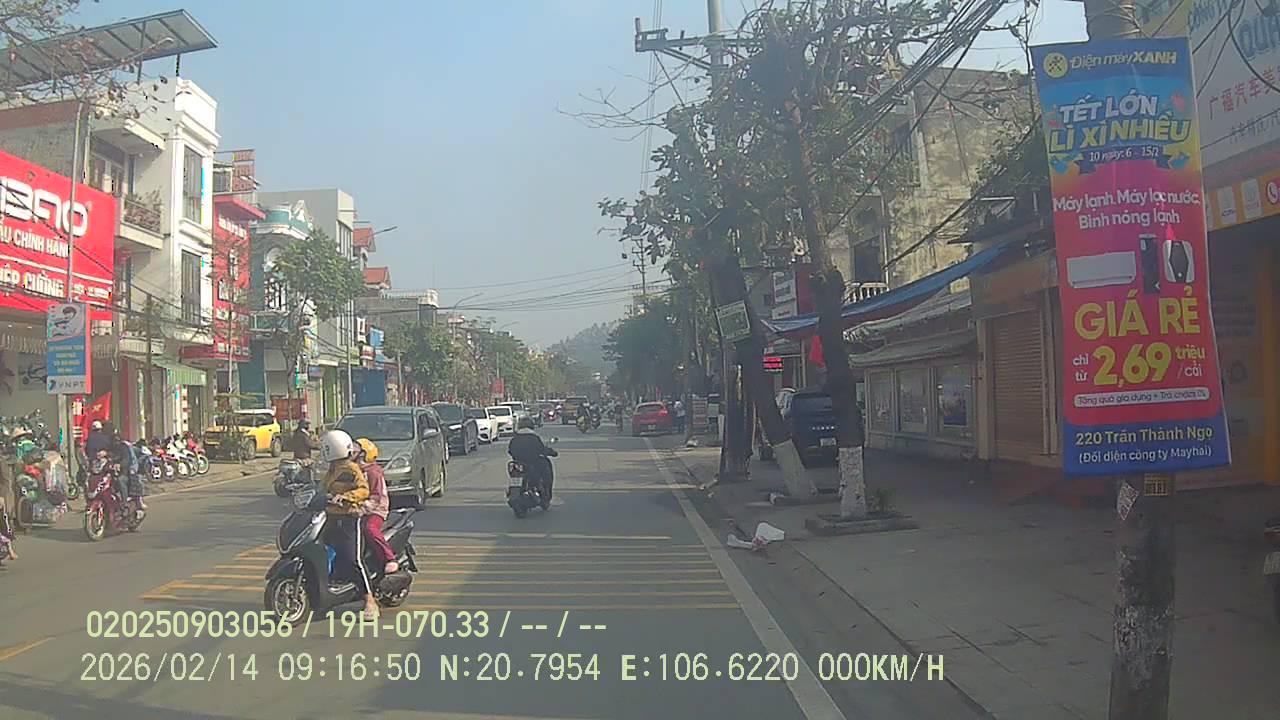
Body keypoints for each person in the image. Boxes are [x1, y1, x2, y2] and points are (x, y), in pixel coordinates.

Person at [317, 429, 377, 620]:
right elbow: (321, 488)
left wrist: (346, 496)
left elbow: (363, 490)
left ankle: (370, 601)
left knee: (353, 559)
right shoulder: (332, 469)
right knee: (324, 555)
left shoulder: (351, 468)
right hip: (329, 518)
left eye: (326, 447)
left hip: (349, 518)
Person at [354, 437, 397, 575]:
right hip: (353, 510)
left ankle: (389, 558)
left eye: (356, 452)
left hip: (376, 510)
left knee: (369, 528)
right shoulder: (352, 470)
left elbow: (376, 497)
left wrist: (363, 508)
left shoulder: (373, 472)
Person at [508, 414, 558, 501]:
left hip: (518, 465)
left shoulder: (514, 439)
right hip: (532, 464)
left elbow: (510, 451)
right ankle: (546, 493)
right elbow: (541, 449)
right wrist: (551, 452)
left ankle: (541, 492)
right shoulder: (534, 438)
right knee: (546, 469)